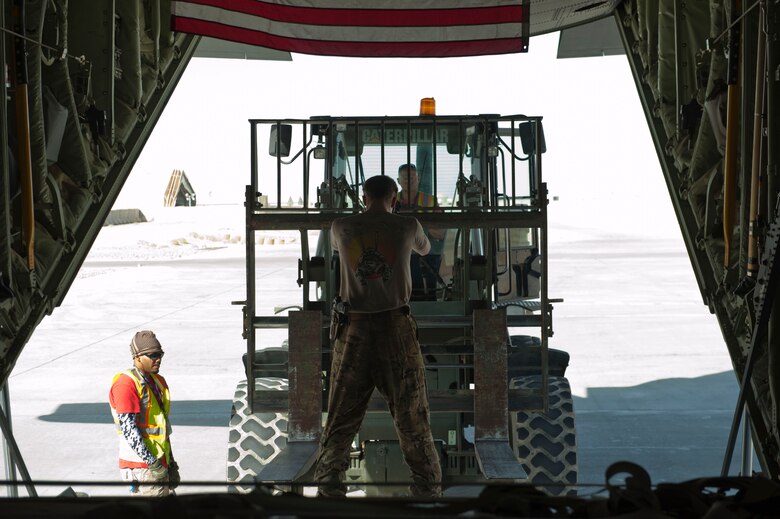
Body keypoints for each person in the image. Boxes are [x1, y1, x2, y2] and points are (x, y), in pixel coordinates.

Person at [314, 174, 442, 498]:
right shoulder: (408, 225)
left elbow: (335, 247)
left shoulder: (340, 227)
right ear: (395, 198)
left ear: (363, 197)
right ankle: (428, 494)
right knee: (412, 417)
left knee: (341, 418)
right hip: (395, 329)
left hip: (353, 329)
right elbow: (426, 250)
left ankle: (329, 492)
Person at [108, 330, 180, 496]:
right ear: (137, 357)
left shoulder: (157, 382)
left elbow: (161, 430)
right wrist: (152, 463)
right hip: (141, 466)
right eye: (153, 355)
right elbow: (129, 430)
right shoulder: (126, 385)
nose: (158, 359)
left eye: (160, 354)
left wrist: (171, 463)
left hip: (160, 462)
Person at [396, 163, 446, 301]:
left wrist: (420, 224)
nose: (409, 180)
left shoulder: (430, 201)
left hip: (428, 255)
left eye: (412, 177)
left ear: (418, 179)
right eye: (405, 178)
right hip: (399, 255)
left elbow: (440, 232)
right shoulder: (391, 202)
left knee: (429, 293)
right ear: (398, 181)